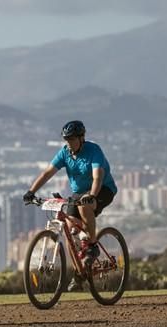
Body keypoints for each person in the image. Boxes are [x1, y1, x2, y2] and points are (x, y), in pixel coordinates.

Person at [23, 120, 117, 291]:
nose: (69, 143)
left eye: (72, 139)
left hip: (103, 189)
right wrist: (31, 191)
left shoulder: (93, 151)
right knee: (69, 228)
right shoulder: (65, 153)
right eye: (66, 139)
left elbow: (98, 177)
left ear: (81, 138)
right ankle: (79, 273)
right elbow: (47, 173)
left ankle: (93, 246)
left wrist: (92, 196)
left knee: (84, 206)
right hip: (79, 193)